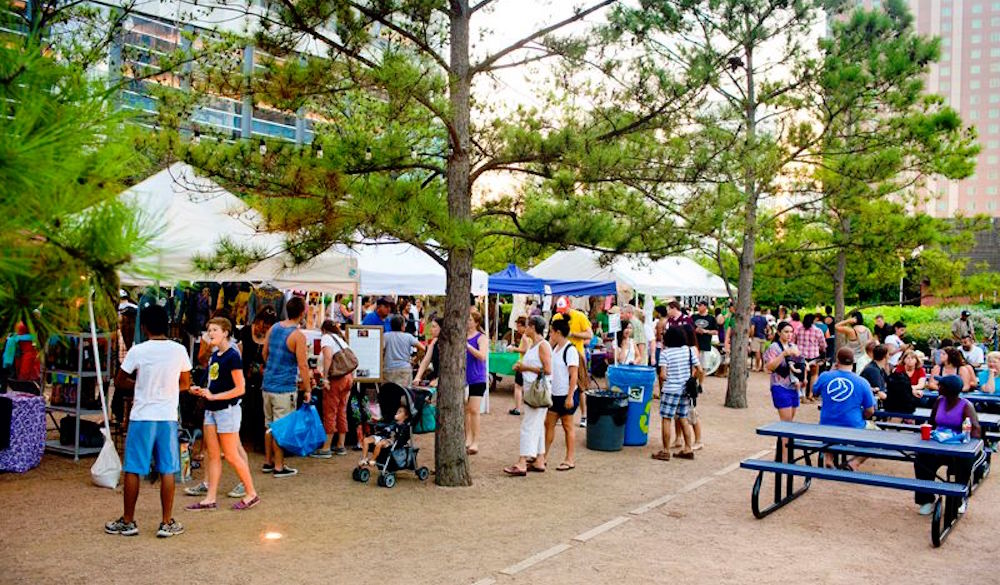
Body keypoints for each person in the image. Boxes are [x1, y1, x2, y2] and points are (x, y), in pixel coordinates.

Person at [105, 305, 192, 538]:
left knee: (133, 469)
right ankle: (166, 522)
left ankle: (128, 520)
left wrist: (140, 385)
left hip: (142, 416)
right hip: (167, 417)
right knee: (167, 469)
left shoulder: (138, 350)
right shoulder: (179, 350)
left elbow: (120, 380)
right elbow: (185, 383)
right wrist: (166, 387)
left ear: (143, 327)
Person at [184, 318, 259, 511]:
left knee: (232, 454)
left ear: (226, 332)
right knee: (214, 455)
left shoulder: (232, 356)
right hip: (212, 410)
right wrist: (201, 390)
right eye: (209, 330)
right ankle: (210, 498)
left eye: (215, 330)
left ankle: (251, 493)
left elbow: (240, 388)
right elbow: (214, 382)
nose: (210, 333)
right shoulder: (216, 355)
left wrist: (214, 396)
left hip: (227, 410)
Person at [260, 296, 312, 478]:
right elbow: (303, 365)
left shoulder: (274, 328)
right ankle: (279, 466)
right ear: (302, 312)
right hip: (284, 387)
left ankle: (268, 461)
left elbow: (264, 352)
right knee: (281, 427)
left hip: (267, 383)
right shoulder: (298, 336)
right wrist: (308, 389)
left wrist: (273, 368)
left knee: (269, 425)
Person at [914, 375, 981, 516]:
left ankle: (960, 498)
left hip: (957, 447)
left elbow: (975, 432)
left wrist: (961, 438)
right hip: (938, 445)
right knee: (921, 459)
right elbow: (932, 423)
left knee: (963, 463)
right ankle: (926, 500)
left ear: (947, 389)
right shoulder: (939, 402)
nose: (938, 387)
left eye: (941, 385)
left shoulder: (966, 406)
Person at [814, 348, 876, 471]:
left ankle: (828, 459)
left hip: (827, 424)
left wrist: (831, 371)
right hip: (852, 425)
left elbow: (814, 392)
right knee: (878, 437)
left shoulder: (825, 376)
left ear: (837, 360)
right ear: (853, 362)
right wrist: (862, 416)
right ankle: (854, 463)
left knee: (831, 427)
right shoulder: (862, 382)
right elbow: (870, 410)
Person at [504, 316, 551, 475]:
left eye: (527, 326)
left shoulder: (542, 346)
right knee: (536, 425)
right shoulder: (535, 345)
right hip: (532, 388)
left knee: (528, 425)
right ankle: (539, 458)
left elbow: (548, 370)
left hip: (536, 390)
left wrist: (525, 368)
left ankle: (522, 461)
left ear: (532, 327)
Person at [652, 326, 700, 461]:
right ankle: (688, 449)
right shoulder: (689, 350)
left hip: (670, 390)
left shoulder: (665, 353)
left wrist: (670, 379)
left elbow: (662, 375)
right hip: (685, 390)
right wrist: (689, 378)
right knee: (683, 418)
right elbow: (699, 368)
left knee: (666, 418)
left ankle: (665, 450)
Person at [311, 320, 354, 458]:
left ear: (323, 329)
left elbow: (328, 357)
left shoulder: (326, 338)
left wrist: (325, 378)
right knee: (342, 411)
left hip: (336, 379)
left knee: (330, 411)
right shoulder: (340, 339)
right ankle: (341, 445)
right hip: (348, 378)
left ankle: (326, 447)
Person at [543, 315, 580, 471]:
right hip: (555, 393)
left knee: (567, 426)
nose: (550, 334)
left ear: (558, 332)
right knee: (548, 424)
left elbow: (574, 375)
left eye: (551, 332)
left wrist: (570, 396)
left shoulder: (570, 350)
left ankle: (570, 458)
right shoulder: (555, 348)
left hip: (566, 393)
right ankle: (543, 456)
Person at [554, 297, 593, 427]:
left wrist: (573, 334)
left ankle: (584, 416)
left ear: (569, 306)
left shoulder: (580, 316)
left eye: (564, 310)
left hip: (577, 354)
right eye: (560, 310)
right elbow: (553, 336)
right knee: (561, 382)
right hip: (561, 355)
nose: (562, 313)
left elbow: (589, 335)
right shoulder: (556, 317)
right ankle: (560, 412)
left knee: (581, 387)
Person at [763, 322, 803, 441]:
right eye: (786, 332)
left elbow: (800, 364)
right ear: (779, 332)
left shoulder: (794, 346)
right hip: (779, 385)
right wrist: (783, 354)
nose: (789, 334)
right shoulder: (774, 347)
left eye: (791, 332)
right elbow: (770, 367)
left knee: (790, 423)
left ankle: (782, 454)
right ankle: (785, 458)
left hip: (793, 386)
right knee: (785, 424)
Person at [465, 309, 489, 455]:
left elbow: (482, 356)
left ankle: (475, 441)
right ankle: (467, 437)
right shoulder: (463, 335)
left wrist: (468, 346)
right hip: (464, 378)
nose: (467, 322)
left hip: (477, 378)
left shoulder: (481, 337)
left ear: (476, 323)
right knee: (465, 410)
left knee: (474, 410)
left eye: (470, 320)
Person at [382, 315, 424, 388]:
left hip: (388, 369)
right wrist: (415, 360)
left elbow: (380, 351)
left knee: (389, 394)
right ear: (402, 326)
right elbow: (423, 348)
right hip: (404, 370)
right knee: (405, 394)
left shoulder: (385, 336)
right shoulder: (408, 337)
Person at [794, 314, 827, 403]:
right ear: (813, 320)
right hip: (814, 356)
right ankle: (811, 395)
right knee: (814, 375)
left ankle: (801, 395)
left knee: (801, 376)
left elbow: (794, 341)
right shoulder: (818, 330)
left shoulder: (798, 329)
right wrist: (821, 350)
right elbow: (823, 345)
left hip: (800, 357)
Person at [506, 317, 531, 416]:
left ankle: (518, 408)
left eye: (518, 326)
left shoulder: (525, 336)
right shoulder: (530, 336)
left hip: (522, 363)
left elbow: (525, 350)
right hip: (527, 363)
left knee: (518, 386)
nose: (517, 328)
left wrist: (514, 349)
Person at [414, 317, 443, 387]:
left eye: (434, 327)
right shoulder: (434, 342)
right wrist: (417, 377)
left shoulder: (447, 344)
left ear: (441, 328)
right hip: (435, 378)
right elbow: (426, 360)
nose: (431, 329)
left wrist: (439, 379)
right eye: (431, 326)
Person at [691, 301, 718, 370]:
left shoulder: (711, 318)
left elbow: (715, 332)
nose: (698, 307)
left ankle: (701, 381)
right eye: (698, 305)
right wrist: (695, 330)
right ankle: (693, 380)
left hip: (706, 344)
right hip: (694, 345)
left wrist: (706, 331)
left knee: (704, 367)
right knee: (693, 365)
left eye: (700, 305)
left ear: (705, 306)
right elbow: (688, 328)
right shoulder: (693, 317)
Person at [749, 306, 768, 372]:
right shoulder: (764, 318)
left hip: (756, 337)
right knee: (762, 353)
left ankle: (757, 366)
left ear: (754, 310)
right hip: (763, 337)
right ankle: (762, 366)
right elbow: (767, 328)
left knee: (757, 352)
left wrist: (751, 336)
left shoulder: (753, 319)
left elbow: (752, 328)